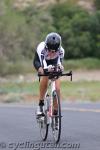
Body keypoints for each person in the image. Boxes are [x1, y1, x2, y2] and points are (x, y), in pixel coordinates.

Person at [33, 32, 65, 117]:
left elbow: (60, 63)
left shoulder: (61, 51)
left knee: (57, 88)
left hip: (54, 62)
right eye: (50, 50)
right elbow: (43, 65)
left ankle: (55, 110)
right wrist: (42, 70)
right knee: (45, 76)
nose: (52, 52)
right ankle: (41, 104)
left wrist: (60, 68)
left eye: (54, 51)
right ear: (46, 47)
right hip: (41, 62)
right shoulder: (41, 48)